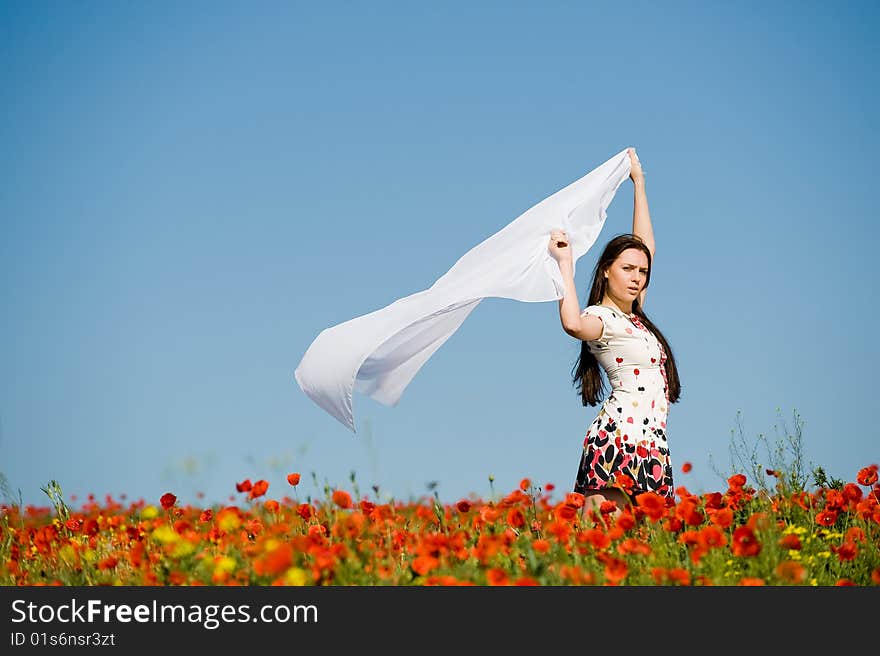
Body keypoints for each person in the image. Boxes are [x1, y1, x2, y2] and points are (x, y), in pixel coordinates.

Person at [547, 148, 681, 520]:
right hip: (619, 439)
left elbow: (646, 246)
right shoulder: (601, 319)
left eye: (642, 271)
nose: (638, 276)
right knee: (603, 542)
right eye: (628, 269)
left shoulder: (635, 316)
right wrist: (564, 265)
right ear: (607, 271)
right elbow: (573, 324)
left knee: (644, 548)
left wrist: (639, 183)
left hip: (652, 443)